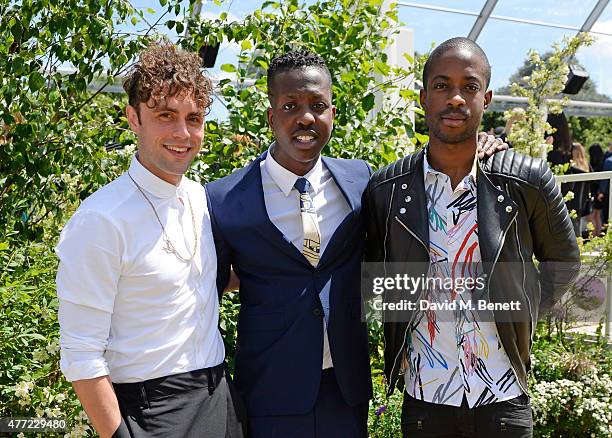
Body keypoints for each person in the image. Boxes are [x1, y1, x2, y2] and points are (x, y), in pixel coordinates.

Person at [206, 50, 507, 437]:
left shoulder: (362, 180)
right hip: (269, 391)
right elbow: (210, 287)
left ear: (332, 112)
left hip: (345, 392)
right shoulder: (224, 199)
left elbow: (417, 189)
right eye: (290, 106)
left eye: (318, 105)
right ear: (271, 116)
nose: (305, 117)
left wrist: (475, 142)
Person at [364, 37, 580, 437]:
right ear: (424, 97)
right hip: (425, 398)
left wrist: (521, 309)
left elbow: (564, 263)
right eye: (443, 85)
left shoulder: (525, 180)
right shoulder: (388, 189)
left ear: (487, 97)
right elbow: (373, 274)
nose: (456, 98)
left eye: (469, 86)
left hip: (504, 397)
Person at [55, 43, 244, 438]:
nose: (182, 133)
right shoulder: (100, 219)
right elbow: (81, 354)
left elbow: (211, 281)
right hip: (152, 412)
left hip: (220, 400)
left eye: (194, 118)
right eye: (165, 116)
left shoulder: (202, 199)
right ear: (133, 119)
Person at [588, 143, 605, 235]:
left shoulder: (592, 165)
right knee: (597, 215)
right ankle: (598, 235)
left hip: (594, 192)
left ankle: (593, 236)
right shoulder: (603, 163)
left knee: (591, 216)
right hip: (601, 192)